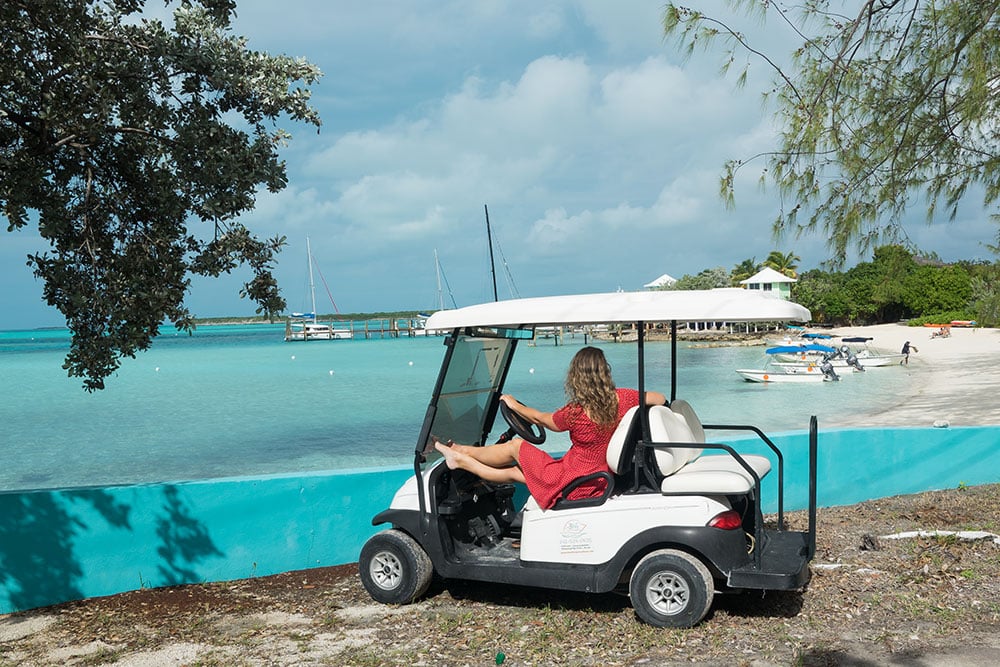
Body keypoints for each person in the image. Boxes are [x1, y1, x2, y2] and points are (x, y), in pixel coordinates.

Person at [434, 346, 666, 510]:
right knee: (516, 472)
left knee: (516, 446)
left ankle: (463, 454)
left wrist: (514, 405)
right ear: (605, 373)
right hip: (597, 479)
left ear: (577, 378)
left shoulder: (576, 413)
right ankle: (461, 457)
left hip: (574, 480)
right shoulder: (623, 398)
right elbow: (659, 397)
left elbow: (543, 419)